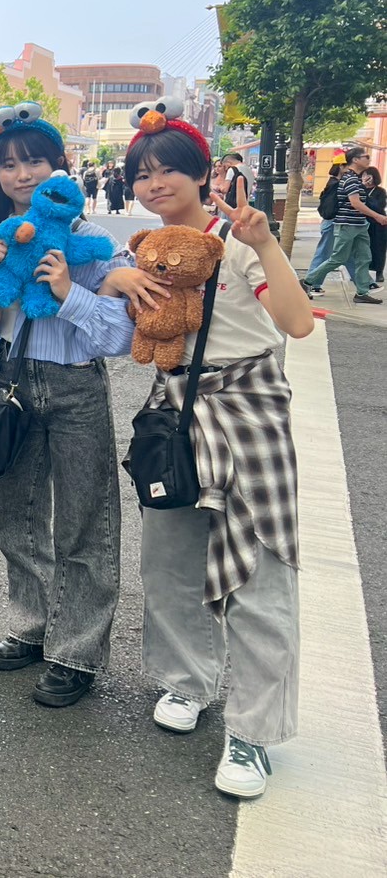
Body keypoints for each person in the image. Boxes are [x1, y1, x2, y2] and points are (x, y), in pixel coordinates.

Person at [110, 100, 314, 800]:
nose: (155, 183)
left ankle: (253, 731)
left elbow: (294, 323)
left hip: (247, 411)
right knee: (168, 561)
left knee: (259, 572)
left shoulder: (236, 239)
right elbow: (105, 295)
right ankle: (186, 681)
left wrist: (266, 245)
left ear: (202, 173)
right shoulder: (141, 248)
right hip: (172, 413)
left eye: (168, 169)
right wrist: (115, 278)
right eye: (142, 174)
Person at [0, 104, 131, 708]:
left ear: (59, 167)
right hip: (15, 384)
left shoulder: (93, 244)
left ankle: (75, 651)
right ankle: (33, 625)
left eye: (34, 161)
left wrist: (69, 291)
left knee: (85, 521)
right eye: (8, 165)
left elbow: (121, 334)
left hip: (76, 385)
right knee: (17, 517)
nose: (21, 174)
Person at [301, 146, 385, 305]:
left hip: (359, 224)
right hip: (347, 225)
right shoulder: (350, 179)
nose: (368, 159)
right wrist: (377, 216)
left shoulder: (356, 179)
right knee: (338, 258)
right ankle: (308, 281)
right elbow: (355, 203)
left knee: (364, 258)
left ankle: (362, 292)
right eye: (366, 157)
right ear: (355, 160)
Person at [305, 159, 348, 286]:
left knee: (348, 255)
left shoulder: (334, 182)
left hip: (332, 221)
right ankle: (312, 284)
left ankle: (365, 285)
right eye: (347, 166)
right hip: (332, 221)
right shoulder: (335, 184)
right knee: (324, 253)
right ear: (341, 166)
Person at [362, 165, 385, 287]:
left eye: (369, 176)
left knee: (379, 248)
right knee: (363, 248)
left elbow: (378, 206)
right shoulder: (360, 189)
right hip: (364, 222)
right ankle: (362, 272)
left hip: (378, 223)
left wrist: (367, 199)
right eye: (364, 175)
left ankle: (379, 272)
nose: (366, 178)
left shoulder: (380, 191)